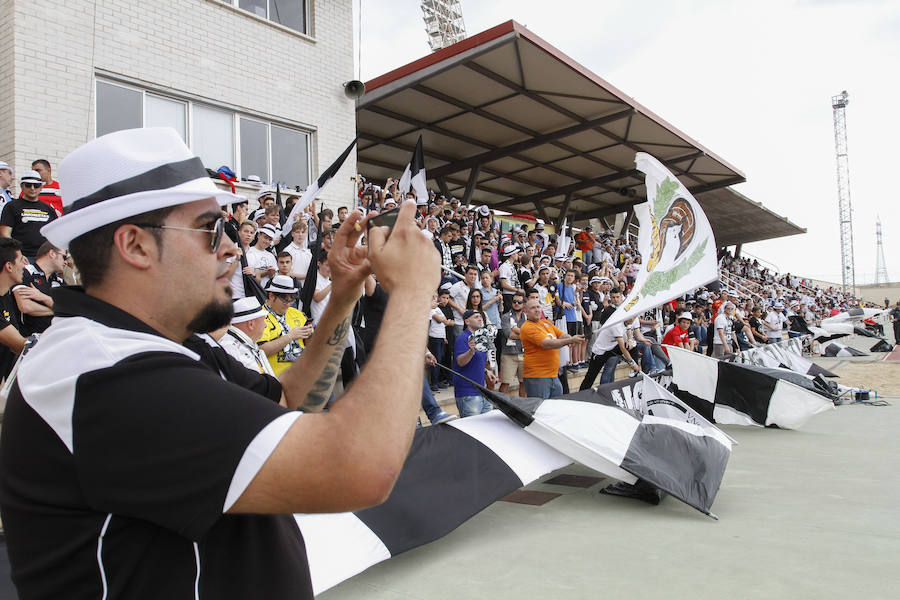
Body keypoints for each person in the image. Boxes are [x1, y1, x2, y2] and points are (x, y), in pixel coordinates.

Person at [0, 128, 439, 599]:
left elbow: (289, 400)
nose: (230, 248)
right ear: (135, 245)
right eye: (211, 230)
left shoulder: (160, 346)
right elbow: (362, 467)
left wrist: (345, 292)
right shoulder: (102, 371)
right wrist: (411, 295)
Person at [520, 298, 584, 398]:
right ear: (526, 312)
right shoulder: (527, 327)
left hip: (554, 375)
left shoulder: (546, 323)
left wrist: (571, 338)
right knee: (541, 409)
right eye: (533, 308)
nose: (537, 310)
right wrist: (570, 341)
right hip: (537, 377)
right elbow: (547, 343)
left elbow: (562, 335)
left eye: (538, 307)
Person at [257, 275, 313, 375]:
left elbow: (309, 344)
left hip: (302, 372)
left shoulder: (296, 313)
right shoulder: (260, 317)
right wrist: (290, 336)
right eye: (284, 299)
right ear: (271, 296)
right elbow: (261, 350)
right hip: (278, 377)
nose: (288, 303)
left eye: (292, 299)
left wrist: (310, 335)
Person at [0, 170, 58, 263]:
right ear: (22, 186)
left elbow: (56, 234)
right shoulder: (11, 206)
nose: (32, 188)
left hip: (46, 258)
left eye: (36, 185)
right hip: (22, 258)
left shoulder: (49, 209)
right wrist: (18, 255)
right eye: (28, 185)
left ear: (41, 187)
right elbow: (5, 234)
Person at [12, 240, 66, 336]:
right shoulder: (25, 272)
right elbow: (25, 306)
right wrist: (55, 310)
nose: (66, 262)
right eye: (64, 257)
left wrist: (42, 297)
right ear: (52, 254)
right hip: (29, 338)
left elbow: (69, 309)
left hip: (56, 337)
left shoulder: (59, 281)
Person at [453, 309, 496, 417]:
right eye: (476, 317)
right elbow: (460, 362)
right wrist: (471, 351)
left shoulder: (481, 339)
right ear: (467, 321)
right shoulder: (462, 339)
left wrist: (486, 371)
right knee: (472, 431)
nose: (480, 318)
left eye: (480, 316)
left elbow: (476, 362)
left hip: (482, 391)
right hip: (468, 393)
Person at [579, 315, 641, 390]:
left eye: (634, 318)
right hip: (600, 352)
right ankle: (583, 393)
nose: (631, 320)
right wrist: (632, 363)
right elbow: (622, 347)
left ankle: (634, 372)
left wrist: (630, 341)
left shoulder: (627, 324)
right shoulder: (616, 325)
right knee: (591, 376)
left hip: (611, 349)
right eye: (630, 317)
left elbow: (629, 332)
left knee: (633, 346)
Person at [218, 296, 277, 376]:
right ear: (251, 324)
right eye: (263, 320)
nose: (265, 325)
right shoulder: (231, 349)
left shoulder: (242, 343)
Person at [0, 237, 28, 379]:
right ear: (9, 266)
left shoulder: (5, 296)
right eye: (22, 259)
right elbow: (20, 345)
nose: (25, 264)